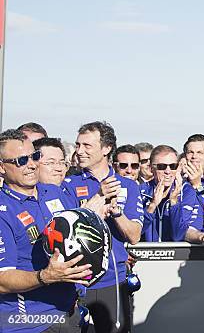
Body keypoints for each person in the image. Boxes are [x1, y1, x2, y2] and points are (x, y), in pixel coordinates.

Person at [0, 130, 99, 332]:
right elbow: (2, 280)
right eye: (21, 160)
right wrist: (45, 276)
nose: (31, 164)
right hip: (29, 324)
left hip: (69, 312)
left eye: (34, 156)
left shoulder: (53, 191)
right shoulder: (4, 211)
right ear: (2, 167)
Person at [62, 122, 143, 333]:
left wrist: (116, 212)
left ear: (106, 148)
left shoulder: (128, 185)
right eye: (78, 145)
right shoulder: (67, 184)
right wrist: (98, 197)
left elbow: (134, 236)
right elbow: (68, 229)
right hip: (75, 280)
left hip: (112, 280)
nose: (80, 151)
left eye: (87, 145)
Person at [140, 145, 199, 242]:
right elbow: (135, 233)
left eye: (173, 166)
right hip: (145, 254)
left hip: (175, 255)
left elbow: (178, 235)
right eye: (162, 167)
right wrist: (152, 206)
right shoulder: (141, 191)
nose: (168, 171)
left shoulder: (186, 191)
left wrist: (174, 202)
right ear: (151, 169)